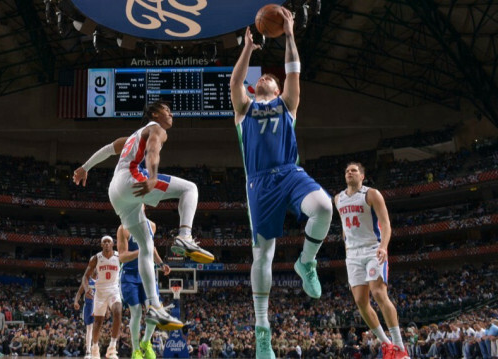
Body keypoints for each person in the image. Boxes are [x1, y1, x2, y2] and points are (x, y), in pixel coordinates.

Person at [229, 9, 333, 358]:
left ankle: (306, 262)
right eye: (261, 79)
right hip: (259, 184)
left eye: (270, 79)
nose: (265, 79)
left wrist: (289, 34)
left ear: (277, 89)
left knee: (323, 207)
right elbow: (234, 83)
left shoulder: (288, 105)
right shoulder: (244, 108)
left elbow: (293, 70)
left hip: (290, 173)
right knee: (264, 256)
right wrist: (247, 49)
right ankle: (263, 331)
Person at [73, 100, 214, 330]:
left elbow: (108, 150)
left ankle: (155, 306)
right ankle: (185, 236)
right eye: (167, 110)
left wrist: (85, 168)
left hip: (115, 193)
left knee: (147, 247)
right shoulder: (156, 129)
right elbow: (153, 150)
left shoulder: (132, 137)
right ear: (155, 113)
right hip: (132, 180)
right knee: (190, 189)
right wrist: (152, 176)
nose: (171, 113)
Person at [335, 162, 409, 359]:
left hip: (373, 248)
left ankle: (400, 346)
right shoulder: (338, 199)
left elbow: (385, 224)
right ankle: (387, 344)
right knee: (360, 301)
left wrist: (383, 246)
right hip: (352, 254)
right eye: (347, 170)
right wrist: (347, 250)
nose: (349, 173)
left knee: (378, 292)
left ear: (362, 176)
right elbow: (344, 228)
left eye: (353, 170)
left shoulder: (372, 194)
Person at [117, 218, 172, 359]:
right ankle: (135, 350)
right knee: (136, 314)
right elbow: (122, 257)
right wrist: (142, 251)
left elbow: (152, 248)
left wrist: (161, 264)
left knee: (154, 310)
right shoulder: (123, 228)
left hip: (147, 274)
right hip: (130, 276)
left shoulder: (152, 225)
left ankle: (146, 342)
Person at [82, 236, 122, 359]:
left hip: (114, 290)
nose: (106, 243)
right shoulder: (96, 258)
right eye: (104, 242)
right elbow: (85, 277)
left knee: (118, 312)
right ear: (101, 245)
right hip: (100, 292)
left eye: (108, 241)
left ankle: (112, 347)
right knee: (98, 323)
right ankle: (94, 348)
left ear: (113, 244)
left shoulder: (119, 256)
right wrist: (86, 288)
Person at [74, 272, 97, 359]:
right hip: (88, 306)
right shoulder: (87, 281)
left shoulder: (101, 281)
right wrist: (76, 301)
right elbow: (79, 292)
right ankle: (88, 351)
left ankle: (95, 348)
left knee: (96, 328)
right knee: (89, 329)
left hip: (97, 305)